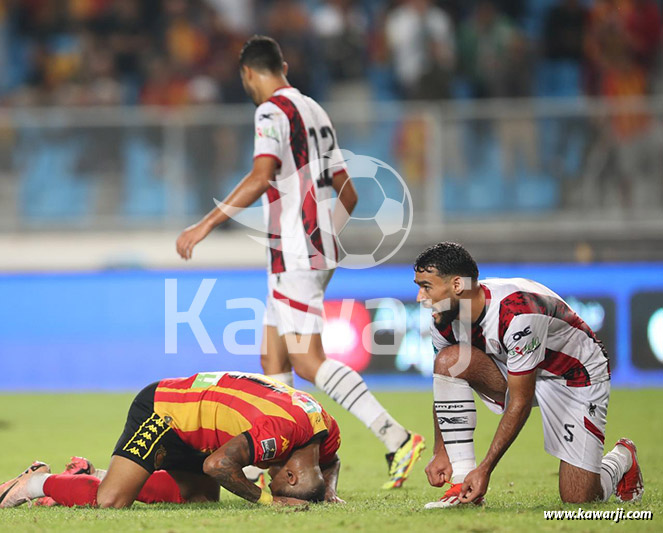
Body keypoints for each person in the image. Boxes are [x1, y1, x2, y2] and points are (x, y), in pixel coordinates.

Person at [175, 35, 424, 489]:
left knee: (308, 362)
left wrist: (205, 225)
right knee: (272, 356)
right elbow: (349, 192)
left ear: (249, 73)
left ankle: (396, 436)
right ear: (283, 64)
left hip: (294, 251)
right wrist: (323, 240)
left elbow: (260, 175)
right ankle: (274, 462)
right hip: (308, 249)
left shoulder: (270, 111)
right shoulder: (315, 111)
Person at [413, 242, 644, 508]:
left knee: (579, 498)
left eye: (426, 286)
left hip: (575, 376)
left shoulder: (518, 312)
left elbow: (519, 403)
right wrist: (441, 449)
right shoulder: (443, 318)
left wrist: (486, 468)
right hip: (515, 368)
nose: (420, 297)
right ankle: (461, 487)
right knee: (448, 361)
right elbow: (444, 384)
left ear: (456, 286)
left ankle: (622, 458)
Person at [0, 371, 343, 508]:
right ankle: (33, 483)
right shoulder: (279, 433)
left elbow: (332, 461)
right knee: (112, 501)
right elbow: (218, 464)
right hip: (166, 411)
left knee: (200, 498)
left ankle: (90, 475)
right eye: (276, 480)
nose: (269, 475)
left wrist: (327, 491)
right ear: (293, 474)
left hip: (204, 428)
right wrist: (269, 500)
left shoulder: (324, 430)